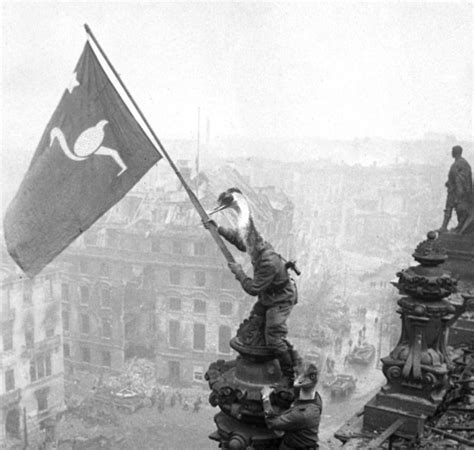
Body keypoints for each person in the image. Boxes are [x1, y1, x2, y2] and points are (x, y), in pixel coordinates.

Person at [203, 188, 299, 379]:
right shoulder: (257, 247)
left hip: (280, 300)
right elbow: (240, 242)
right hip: (269, 296)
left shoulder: (267, 262)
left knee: (273, 338)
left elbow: (253, 289)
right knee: (254, 323)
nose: (244, 249)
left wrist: (239, 272)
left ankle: (289, 372)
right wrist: (218, 229)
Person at [261, 363, 322, 449]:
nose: (293, 378)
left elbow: (272, 422)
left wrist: (265, 397)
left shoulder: (300, 414)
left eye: (295, 376)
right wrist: (280, 389)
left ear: (300, 382)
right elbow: (297, 396)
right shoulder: (316, 398)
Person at [440, 145, 473, 232]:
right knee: (449, 208)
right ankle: (444, 227)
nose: (451, 153)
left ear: (456, 152)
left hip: (457, 192)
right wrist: (448, 182)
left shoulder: (461, 163)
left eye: (453, 151)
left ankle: (457, 227)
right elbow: (454, 177)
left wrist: (459, 192)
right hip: (453, 190)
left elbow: (461, 179)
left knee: (457, 209)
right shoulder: (457, 163)